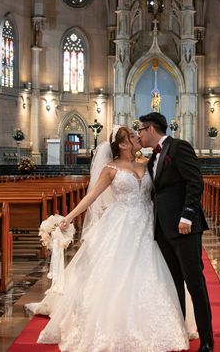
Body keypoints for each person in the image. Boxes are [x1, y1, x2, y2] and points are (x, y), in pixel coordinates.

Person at [29, 126, 193, 351]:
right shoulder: (110, 169)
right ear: (123, 144)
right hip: (121, 224)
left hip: (148, 225)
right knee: (117, 274)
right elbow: (91, 197)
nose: (138, 137)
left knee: (153, 272)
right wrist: (68, 217)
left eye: (138, 134)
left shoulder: (145, 164)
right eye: (133, 137)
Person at [139, 111, 214, 352]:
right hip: (162, 230)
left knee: (195, 283)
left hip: (184, 228)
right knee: (173, 284)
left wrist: (187, 216)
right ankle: (179, 331)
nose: (138, 134)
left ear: (150, 129)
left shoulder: (179, 147)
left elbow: (195, 182)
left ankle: (207, 340)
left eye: (140, 130)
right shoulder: (152, 160)